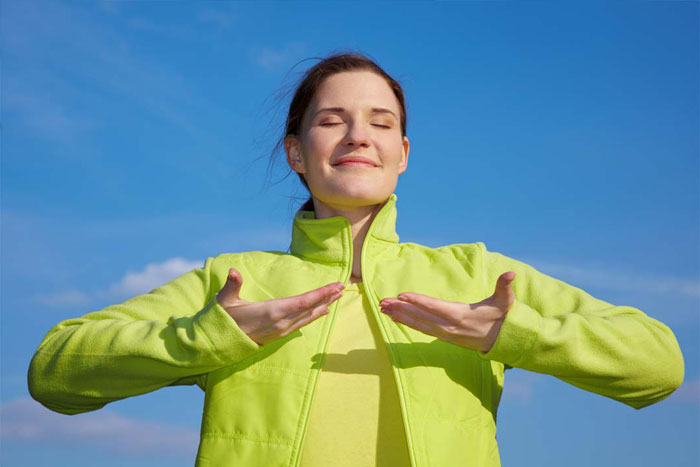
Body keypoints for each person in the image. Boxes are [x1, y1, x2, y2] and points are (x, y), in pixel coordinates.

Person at [27, 52, 684, 467]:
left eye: (379, 120)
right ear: (295, 150)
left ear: (403, 151)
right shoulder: (235, 281)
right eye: (331, 119)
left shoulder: (479, 276)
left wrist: (506, 332)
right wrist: (211, 335)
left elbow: (657, 363)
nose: (358, 135)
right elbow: (54, 372)